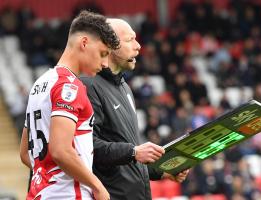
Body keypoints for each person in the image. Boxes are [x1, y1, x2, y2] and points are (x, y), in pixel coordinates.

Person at [80, 18, 189, 200]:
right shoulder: (89, 85)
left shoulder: (124, 87)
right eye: (130, 39)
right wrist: (133, 152)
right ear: (109, 44)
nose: (138, 46)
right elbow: (88, 146)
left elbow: (130, 158)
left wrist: (163, 172)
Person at [19, 10, 120, 200]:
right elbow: (61, 150)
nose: (105, 63)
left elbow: (25, 153)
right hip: (67, 195)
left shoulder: (40, 84)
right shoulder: (69, 86)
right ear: (84, 43)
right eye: (103, 53)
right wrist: (97, 186)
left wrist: (47, 176)